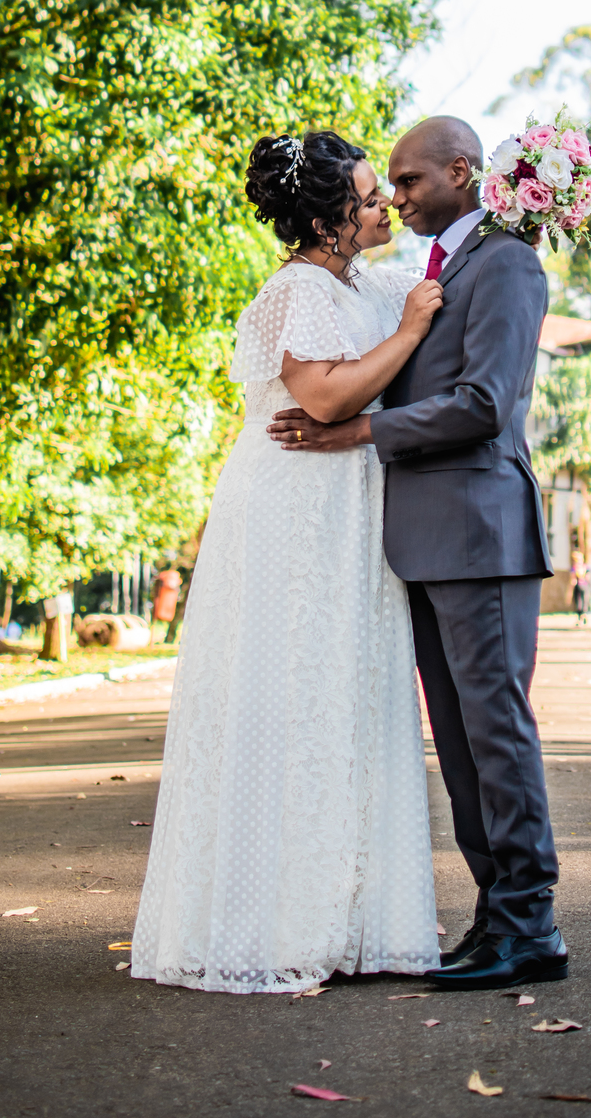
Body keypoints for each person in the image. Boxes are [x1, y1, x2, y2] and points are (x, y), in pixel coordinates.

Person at [130, 130, 444, 994]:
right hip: (291, 511)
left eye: (386, 192)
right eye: (370, 196)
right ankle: (265, 925)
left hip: (349, 507)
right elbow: (326, 395)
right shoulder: (297, 289)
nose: (384, 205)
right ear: (326, 217)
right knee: (289, 695)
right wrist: (414, 329)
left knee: (347, 696)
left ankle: (351, 919)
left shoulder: (367, 284)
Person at [270, 116, 566, 991]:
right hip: (429, 544)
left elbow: (484, 402)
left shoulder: (507, 260)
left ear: (462, 172)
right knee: (463, 740)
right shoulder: (438, 267)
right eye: (386, 188)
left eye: (407, 183)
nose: (395, 201)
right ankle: (495, 913)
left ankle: (532, 924)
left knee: (497, 731)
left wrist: (360, 429)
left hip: (482, 532)